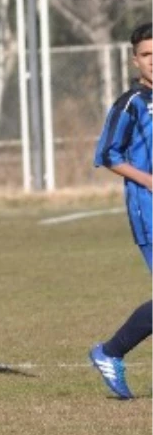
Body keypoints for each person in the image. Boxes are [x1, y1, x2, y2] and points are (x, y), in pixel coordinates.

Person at [88, 21, 153, 399]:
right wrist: (147, 180)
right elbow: (107, 155)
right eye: (147, 55)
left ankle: (110, 352)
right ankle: (110, 352)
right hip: (148, 210)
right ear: (135, 60)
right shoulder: (130, 103)